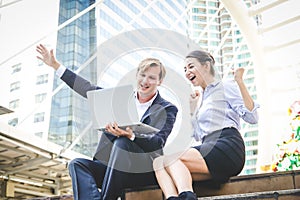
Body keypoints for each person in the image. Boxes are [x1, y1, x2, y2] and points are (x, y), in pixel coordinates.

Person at [36, 44, 178, 200]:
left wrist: (131, 136)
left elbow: (158, 142)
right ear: (137, 75)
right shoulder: (118, 99)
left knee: (122, 143)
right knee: (77, 164)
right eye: (142, 75)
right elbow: (86, 88)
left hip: (141, 171)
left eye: (152, 77)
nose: (145, 81)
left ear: (160, 81)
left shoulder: (168, 108)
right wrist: (56, 66)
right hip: (112, 170)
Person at [153, 50, 260, 200]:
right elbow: (198, 135)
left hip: (226, 145)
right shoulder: (201, 98)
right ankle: (175, 197)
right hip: (208, 146)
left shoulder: (225, 86)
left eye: (191, 66)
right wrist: (192, 110)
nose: (187, 72)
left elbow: (252, 117)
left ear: (206, 66)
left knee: (170, 159)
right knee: (158, 163)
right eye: (185, 69)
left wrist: (240, 82)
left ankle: (187, 196)